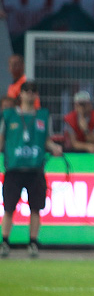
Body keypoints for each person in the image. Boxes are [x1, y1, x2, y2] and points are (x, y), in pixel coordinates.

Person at [0, 81, 63, 258]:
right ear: (20, 94)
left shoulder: (43, 116)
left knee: (36, 208)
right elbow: (2, 139)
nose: (29, 93)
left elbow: (47, 139)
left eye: (33, 90)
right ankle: (5, 242)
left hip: (35, 168)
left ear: (36, 95)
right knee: (9, 208)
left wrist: (54, 148)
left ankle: (33, 242)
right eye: (26, 90)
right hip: (14, 168)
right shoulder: (9, 115)